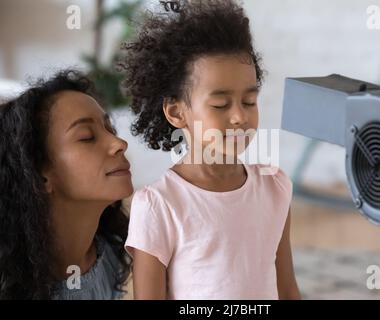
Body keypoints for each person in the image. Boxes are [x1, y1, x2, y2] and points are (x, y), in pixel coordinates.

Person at [121, 0, 301, 299]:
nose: (240, 117)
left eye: (249, 102)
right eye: (220, 104)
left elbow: (287, 288)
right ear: (177, 112)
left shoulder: (275, 186)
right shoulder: (159, 205)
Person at [0, 70, 133, 299]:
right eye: (87, 137)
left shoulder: (112, 253)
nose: (119, 143)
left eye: (109, 129)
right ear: (40, 175)